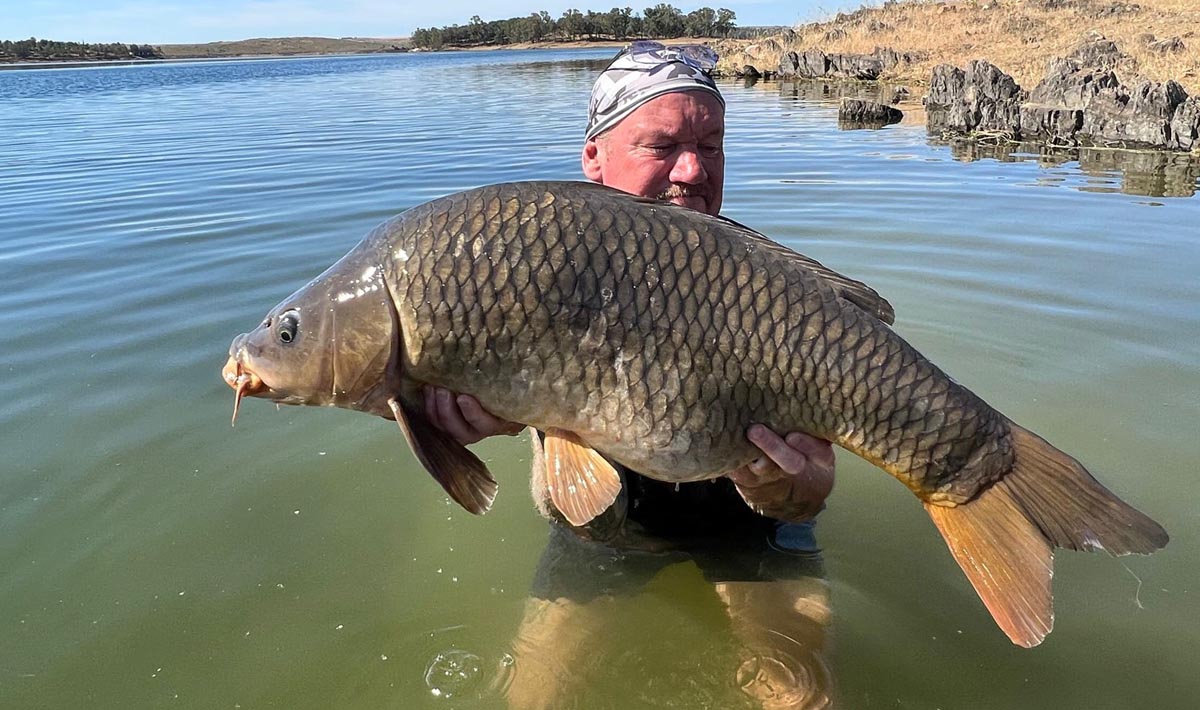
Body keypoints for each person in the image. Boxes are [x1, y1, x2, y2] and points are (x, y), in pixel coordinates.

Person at [425, 42, 837, 708]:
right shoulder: (527, 268)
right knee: (532, 700)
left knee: (803, 701)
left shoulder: (772, 294)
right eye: (662, 145)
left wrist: (784, 490)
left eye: (712, 143)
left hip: (745, 532)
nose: (694, 169)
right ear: (594, 157)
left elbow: (811, 492)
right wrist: (465, 420)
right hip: (602, 540)